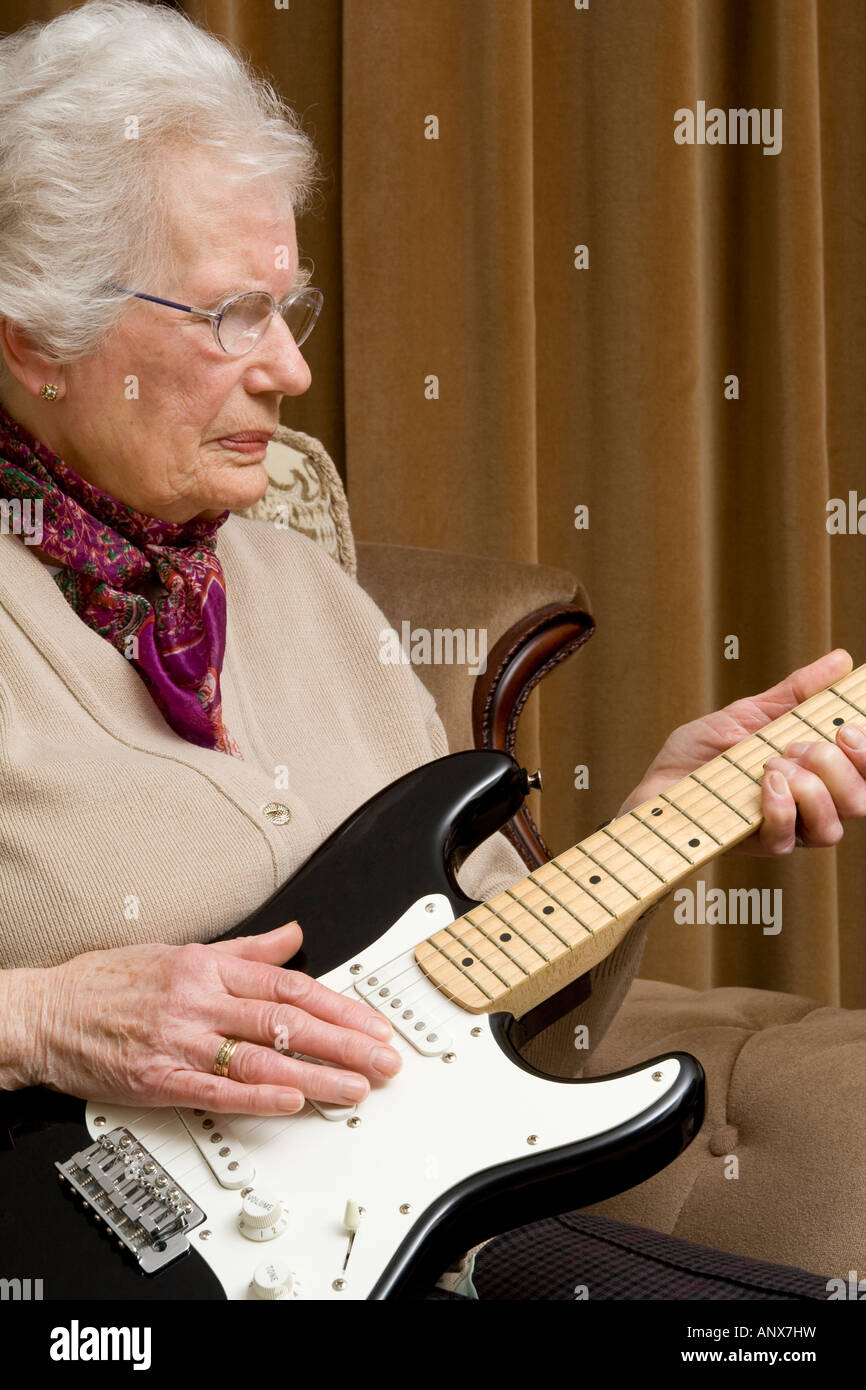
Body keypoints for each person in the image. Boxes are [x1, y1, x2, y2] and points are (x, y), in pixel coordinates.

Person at [1, 0, 864, 1299]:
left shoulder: (307, 594)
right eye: (232, 315)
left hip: (413, 1252)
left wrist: (669, 812)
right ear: (37, 336)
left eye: (290, 307)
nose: (290, 369)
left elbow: (490, 1006)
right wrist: (35, 1019)